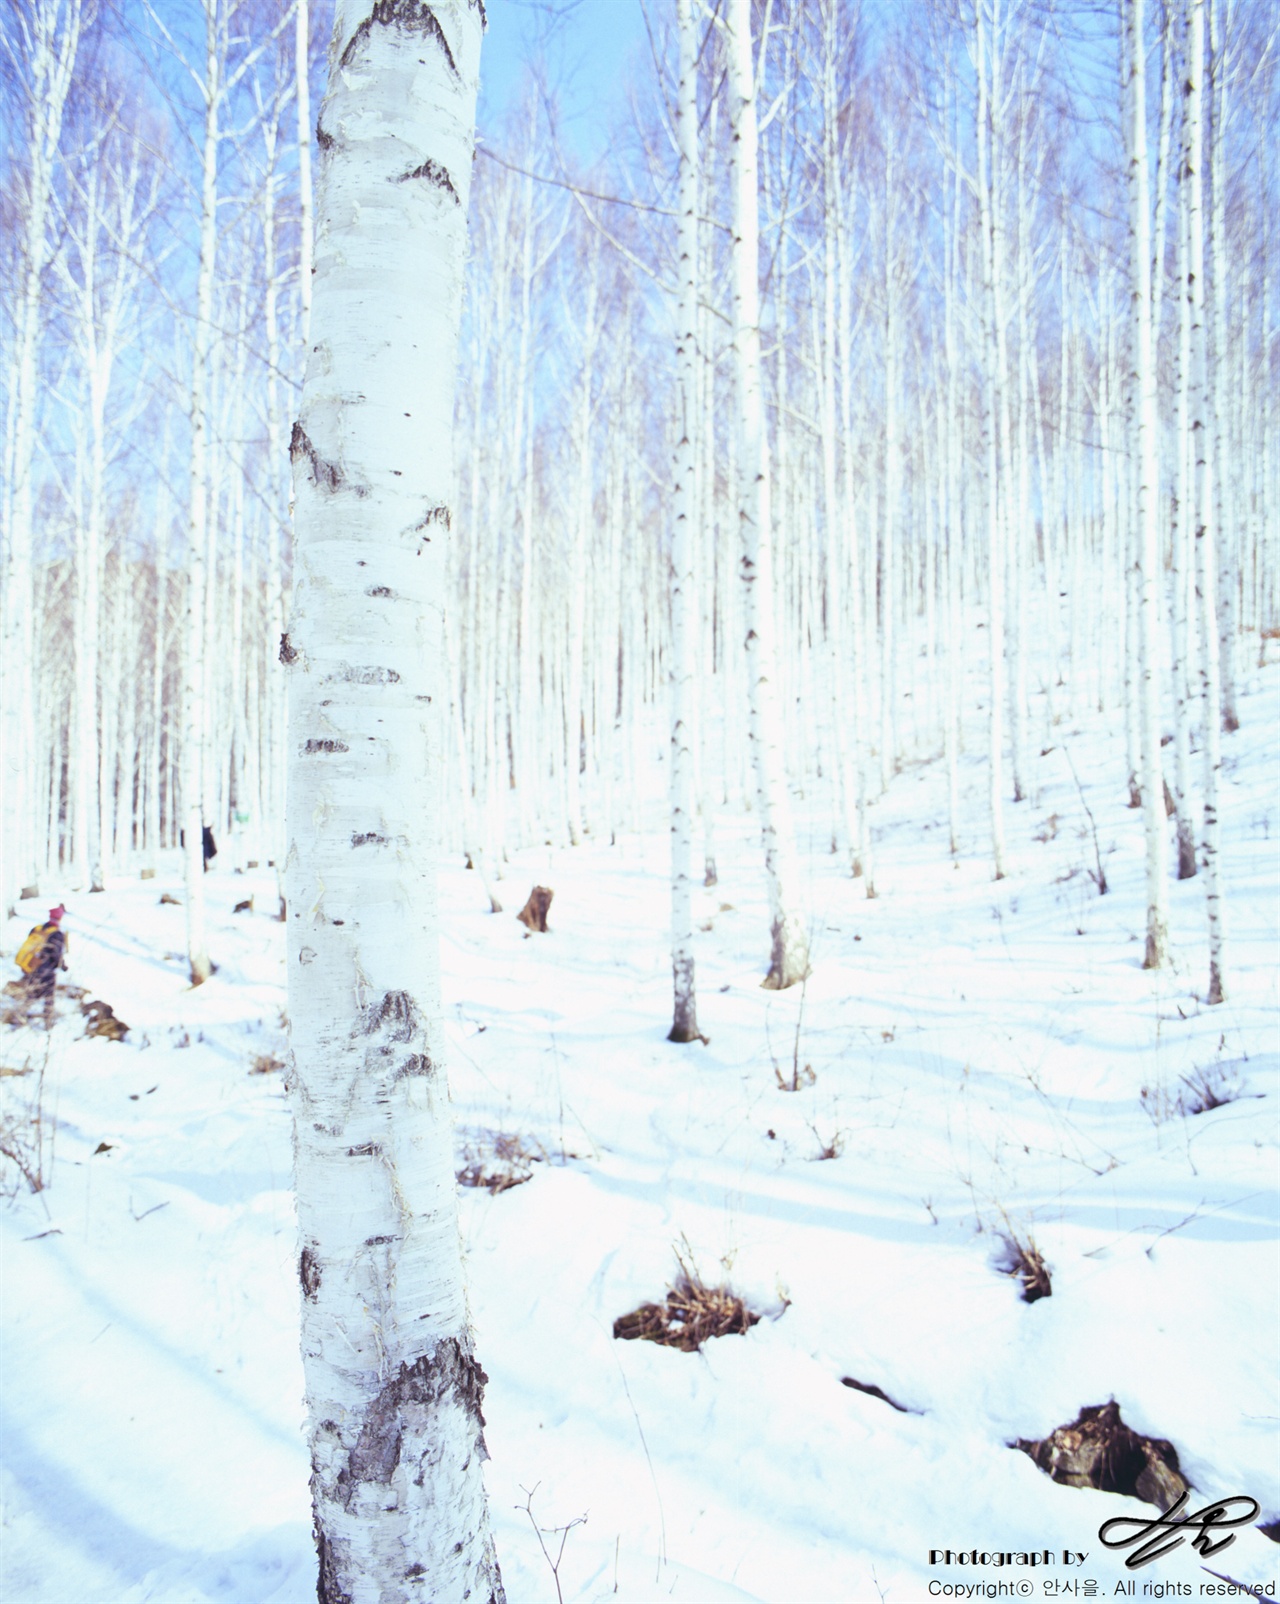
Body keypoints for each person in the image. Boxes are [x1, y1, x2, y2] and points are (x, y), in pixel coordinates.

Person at [14, 906, 68, 1032]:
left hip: (31, 967)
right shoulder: (57, 933)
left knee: (32, 993)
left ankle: (20, 1017)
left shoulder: (38, 929)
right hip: (47, 970)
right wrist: (63, 966)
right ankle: (48, 1024)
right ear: (60, 918)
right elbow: (56, 954)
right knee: (49, 997)